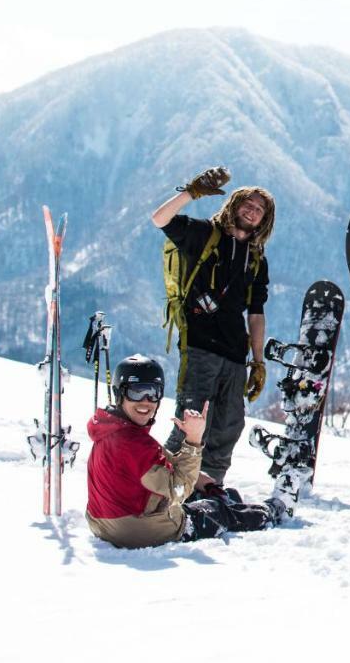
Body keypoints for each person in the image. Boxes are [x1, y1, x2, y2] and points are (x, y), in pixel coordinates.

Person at [151, 166, 272, 486]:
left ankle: (208, 485)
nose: (253, 210)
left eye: (260, 209)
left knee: (229, 425)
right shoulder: (204, 234)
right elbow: (159, 220)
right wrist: (191, 192)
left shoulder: (256, 259)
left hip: (235, 352)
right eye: (249, 203)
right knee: (191, 418)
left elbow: (256, 313)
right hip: (200, 345)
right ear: (233, 204)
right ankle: (165, 486)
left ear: (265, 220)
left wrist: (258, 361)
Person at [85, 355, 286, 548]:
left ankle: (228, 502)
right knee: (215, 512)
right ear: (121, 394)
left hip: (103, 523)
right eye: (137, 392)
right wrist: (193, 440)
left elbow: (153, 463)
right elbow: (177, 491)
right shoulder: (133, 442)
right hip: (135, 530)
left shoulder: (113, 429)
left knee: (207, 493)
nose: (146, 401)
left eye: (153, 393)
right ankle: (269, 512)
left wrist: (196, 477)